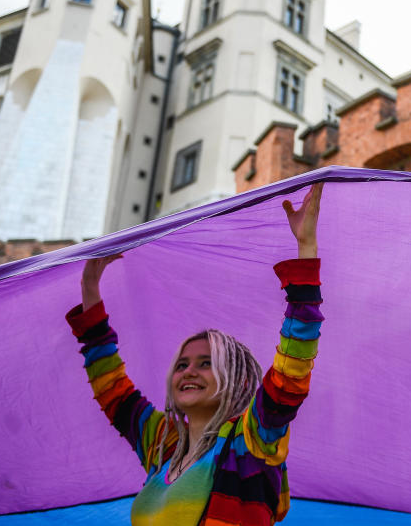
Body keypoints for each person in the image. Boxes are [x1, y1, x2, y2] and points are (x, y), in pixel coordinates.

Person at [65, 183, 324, 526]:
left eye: (206, 364)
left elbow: (291, 372)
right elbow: (113, 389)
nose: (189, 371)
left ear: (240, 379)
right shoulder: (162, 444)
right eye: (182, 365)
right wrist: (90, 289)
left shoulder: (250, 440)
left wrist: (305, 247)